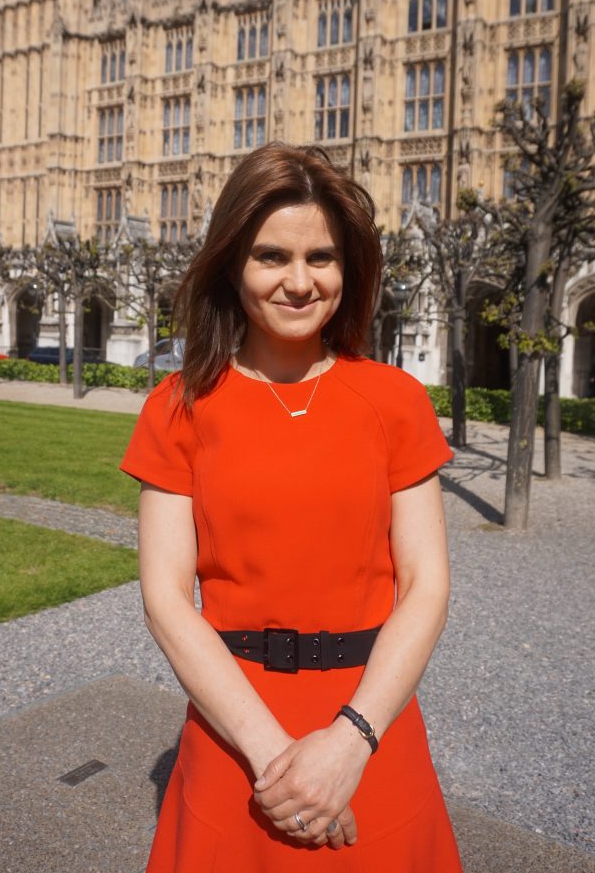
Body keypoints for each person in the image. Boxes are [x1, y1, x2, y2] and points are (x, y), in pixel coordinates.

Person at [121, 143, 462, 871]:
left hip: (373, 726)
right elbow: (165, 599)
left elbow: (426, 586)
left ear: (350, 267)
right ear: (232, 264)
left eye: (323, 258)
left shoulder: (395, 401)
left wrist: (348, 742)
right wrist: (276, 757)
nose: (301, 282)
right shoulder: (177, 408)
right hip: (235, 735)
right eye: (272, 256)